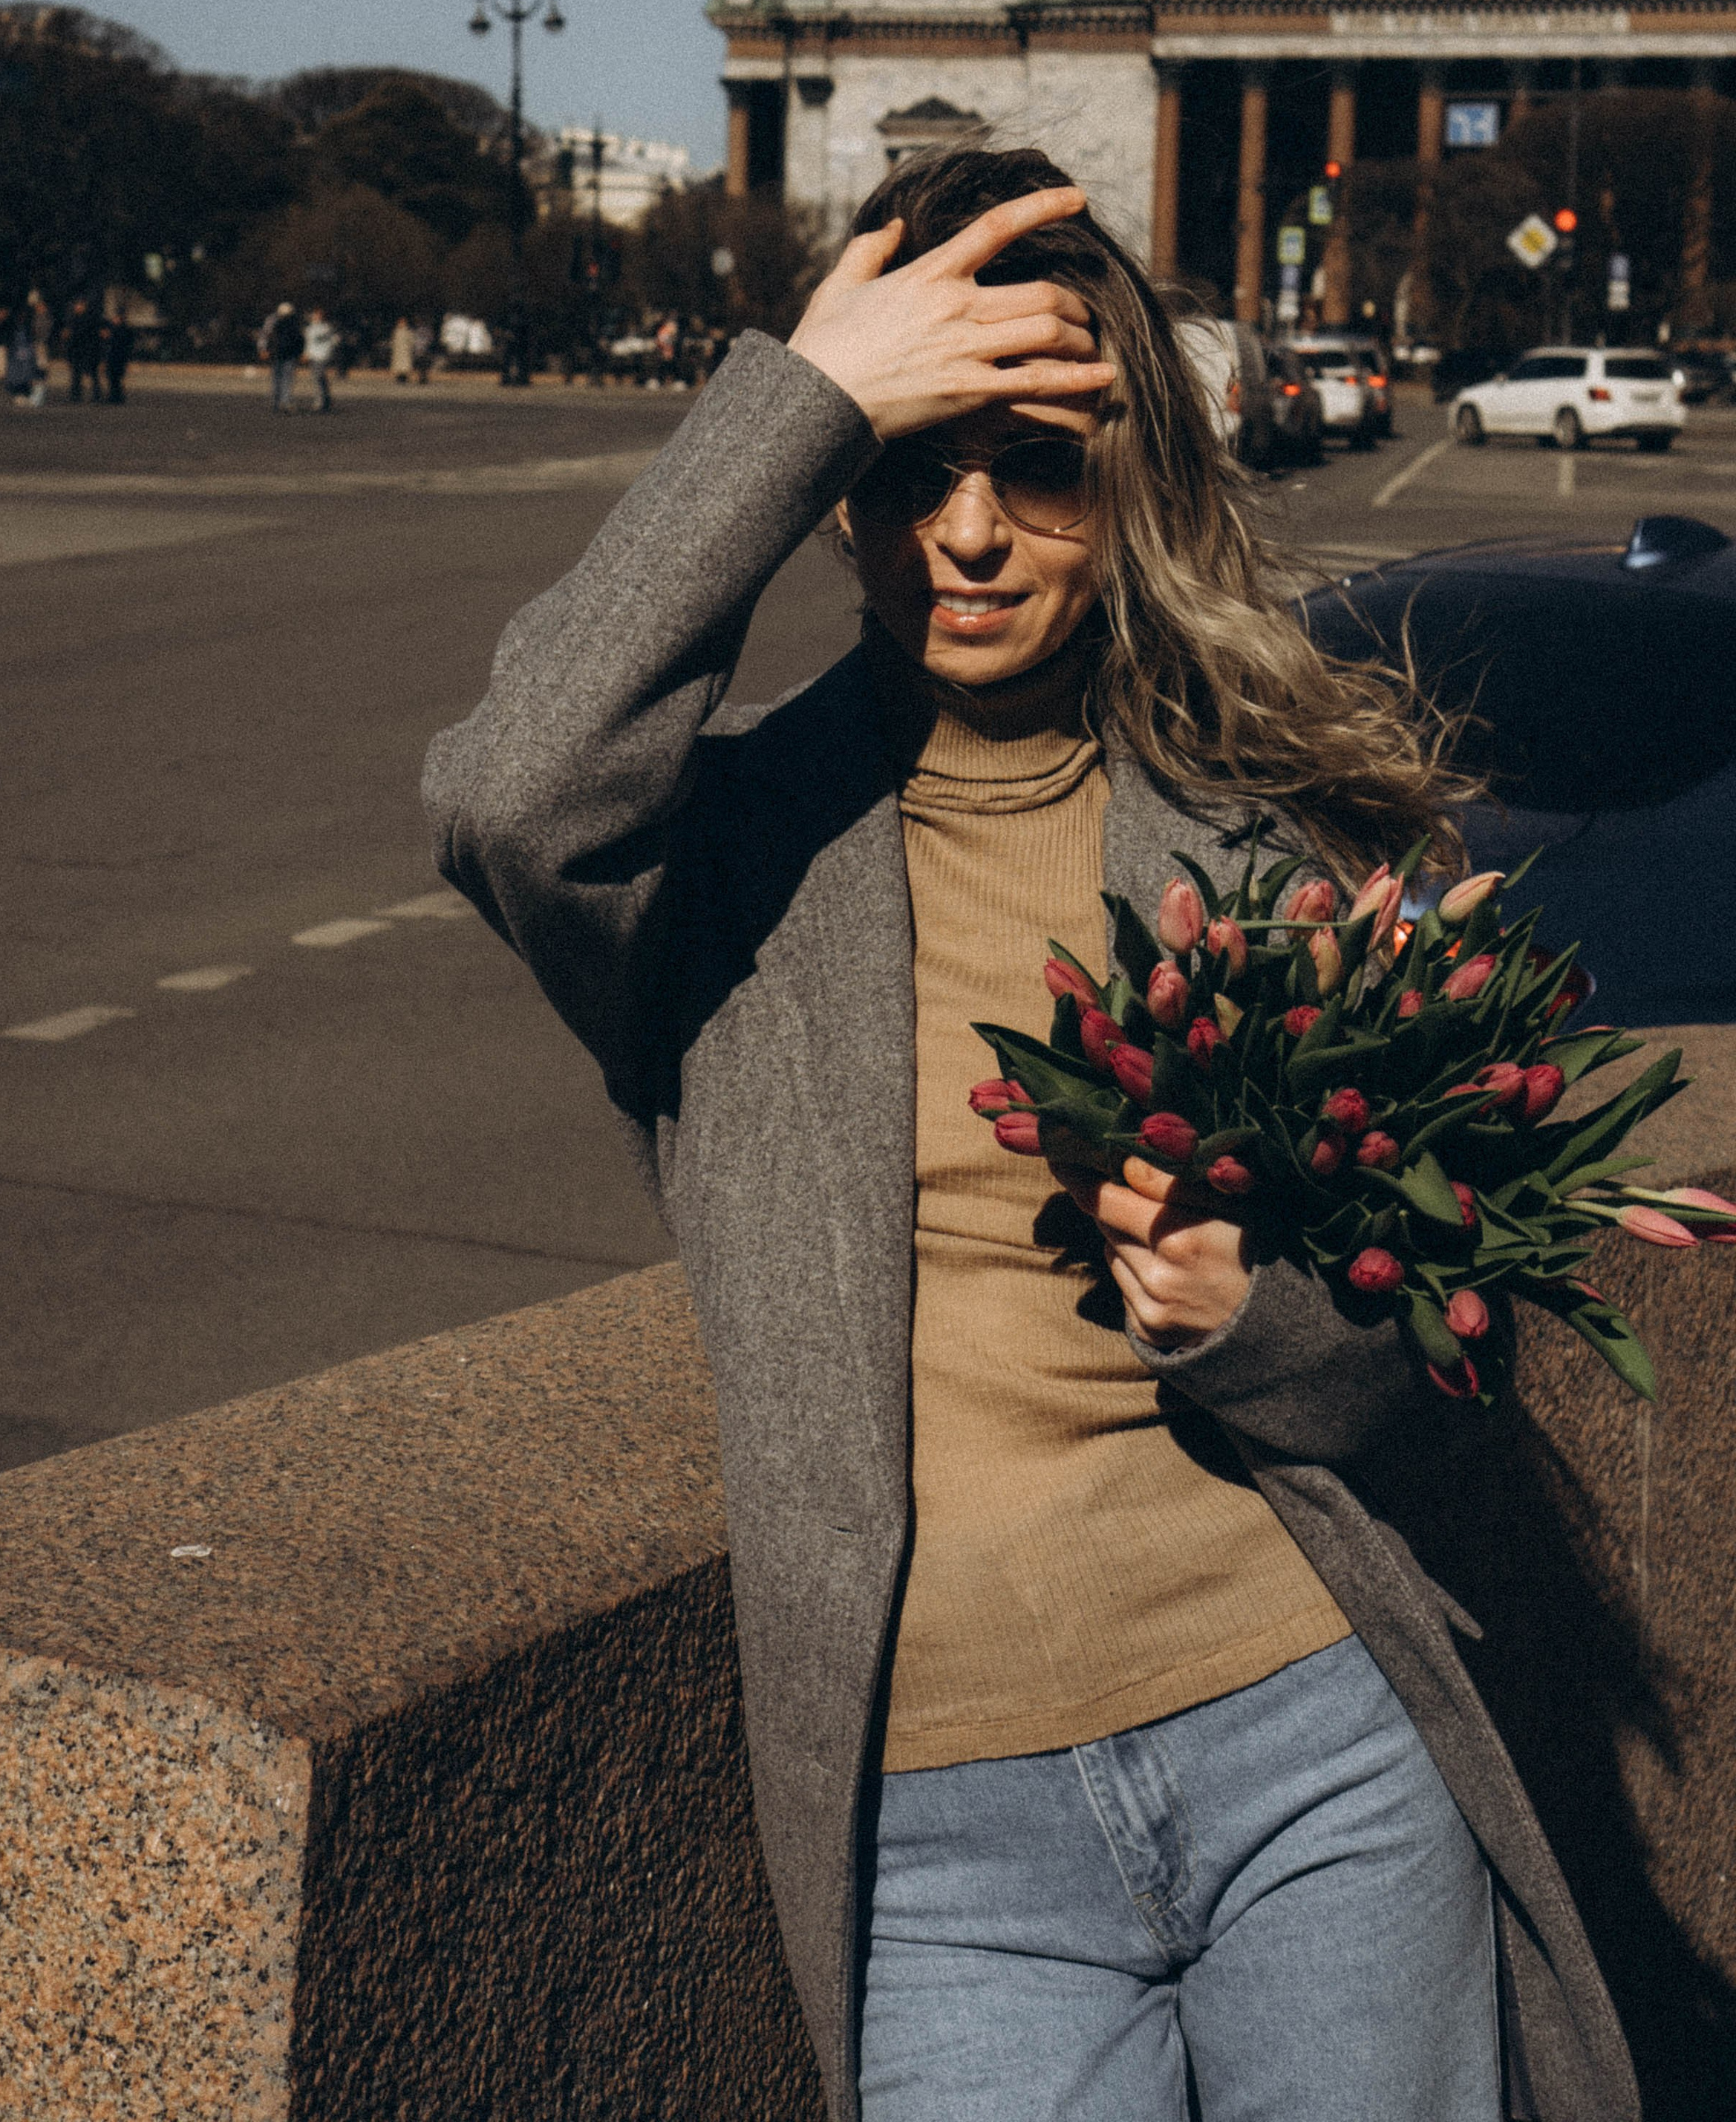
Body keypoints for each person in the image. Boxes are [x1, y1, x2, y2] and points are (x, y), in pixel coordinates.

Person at [422, 148, 1636, 2122]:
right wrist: (802, 397)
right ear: (833, 494)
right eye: (907, 470)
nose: (970, 535)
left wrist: (1257, 1312)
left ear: (1128, 484)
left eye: (1039, 470)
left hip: (1308, 1744)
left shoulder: (1263, 835)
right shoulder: (724, 869)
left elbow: (1423, 1348)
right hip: (942, 1836)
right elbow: (506, 793)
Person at [261, 301, 303, 413]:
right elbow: (299, 341)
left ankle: (278, 402)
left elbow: (269, 338)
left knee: (279, 379)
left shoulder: (276, 323)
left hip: (280, 354)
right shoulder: (294, 325)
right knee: (285, 379)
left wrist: (266, 349)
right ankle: (284, 401)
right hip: (286, 355)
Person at [65, 299, 104, 403]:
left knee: (92, 375)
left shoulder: (88, 319)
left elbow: (91, 337)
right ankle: (76, 395)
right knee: (76, 375)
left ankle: (96, 395)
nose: (77, 308)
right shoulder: (74, 319)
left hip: (87, 351)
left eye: (79, 306)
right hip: (77, 351)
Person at [302, 307, 339, 411]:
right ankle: (326, 399)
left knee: (318, 378)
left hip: (322, 355)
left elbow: (335, 339)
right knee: (320, 378)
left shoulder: (326, 328)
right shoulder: (311, 328)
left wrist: (329, 350)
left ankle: (320, 402)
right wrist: (306, 354)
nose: (316, 317)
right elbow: (309, 342)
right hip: (315, 356)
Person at [102, 309, 133, 404]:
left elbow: (122, 344)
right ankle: (114, 396)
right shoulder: (114, 329)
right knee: (112, 378)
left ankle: (116, 397)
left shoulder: (122, 330)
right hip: (113, 357)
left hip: (119, 357)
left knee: (116, 378)